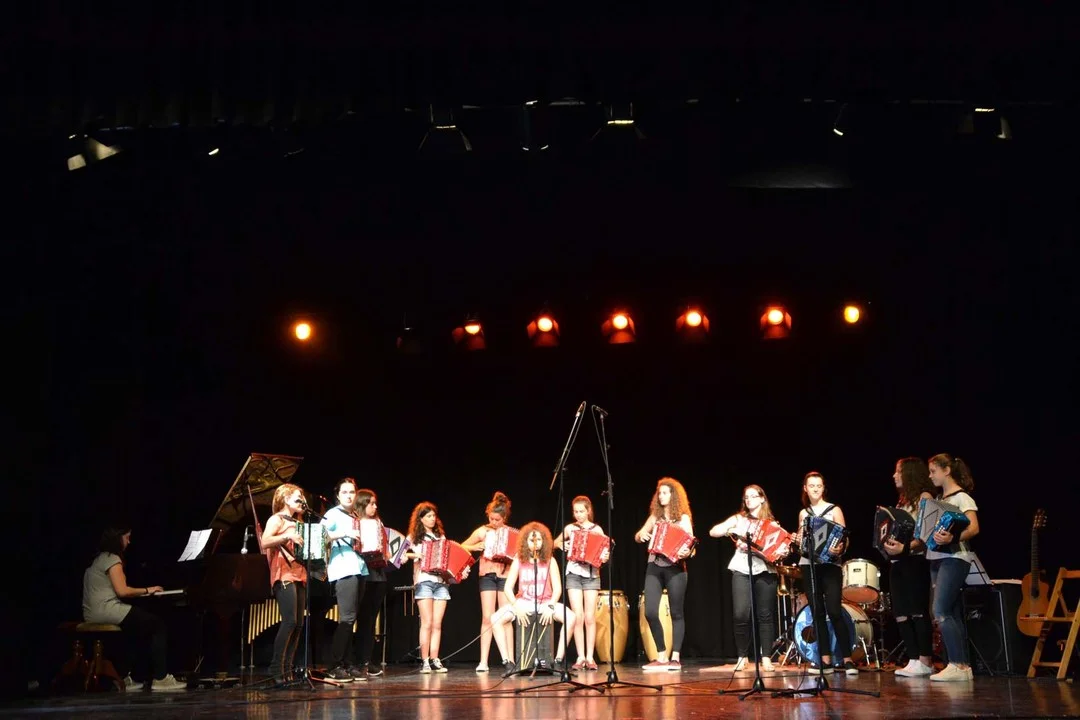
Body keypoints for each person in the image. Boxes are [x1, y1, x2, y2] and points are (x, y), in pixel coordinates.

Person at [82, 526, 187, 691]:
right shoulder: (112, 559)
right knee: (158, 625)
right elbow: (122, 591)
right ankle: (161, 678)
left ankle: (124, 677)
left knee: (135, 628)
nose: (129, 542)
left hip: (92, 612)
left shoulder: (98, 558)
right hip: (106, 609)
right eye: (127, 537)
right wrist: (148, 589)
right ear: (118, 538)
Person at [709, 485, 786, 672]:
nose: (749, 499)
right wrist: (731, 529)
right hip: (742, 567)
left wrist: (782, 549)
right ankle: (742, 656)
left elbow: (782, 547)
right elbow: (713, 531)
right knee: (741, 614)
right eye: (746, 497)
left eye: (753, 496)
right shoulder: (739, 519)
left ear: (762, 499)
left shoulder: (772, 524)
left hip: (765, 569)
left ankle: (766, 658)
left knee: (765, 615)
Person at [490, 522, 576, 677]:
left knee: (571, 617)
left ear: (544, 541)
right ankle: (508, 663)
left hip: (546, 602)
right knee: (495, 619)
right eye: (531, 540)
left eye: (539, 540)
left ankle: (557, 660)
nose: (535, 543)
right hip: (523, 602)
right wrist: (516, 607)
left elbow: (557, 588)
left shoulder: (550, 560)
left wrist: (551, 606)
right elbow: (508, 588)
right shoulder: (518, 560)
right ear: (525, 542)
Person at [794, 471, 858, 675]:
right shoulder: (804, 513)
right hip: (809, 565)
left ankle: (847, 659)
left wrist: (840, 548)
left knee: (835, 611)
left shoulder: (834, 509)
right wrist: (797, 539)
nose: (815, 489)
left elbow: (844, 537)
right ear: (805, 488)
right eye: (811, 485)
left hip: (831, 565)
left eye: (818, 485)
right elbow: (802, 541)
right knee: (817, 613)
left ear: (823, 488)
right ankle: (825, 659)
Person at [925, 453, 980, 682]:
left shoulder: (961, 497)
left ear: (947, 470)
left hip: (955, 557)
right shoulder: (939, 499)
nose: (930, 476)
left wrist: (953, 538)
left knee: (941, 611)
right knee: (950, 612)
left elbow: (974, 528)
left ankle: (958, 664)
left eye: (933, 471)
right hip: (936, 558)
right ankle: (960, 665)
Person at [882, 457, 936, 678]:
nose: (894, 475)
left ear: (909, 473)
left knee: (917, 610)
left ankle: (926, 660)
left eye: (898, 471)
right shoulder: (902, 502)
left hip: (915, 560)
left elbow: (926, 535)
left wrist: (904, 547)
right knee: (901, 613)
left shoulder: (925, 498)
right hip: (898, 562)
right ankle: (913, 658)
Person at [634, 477, 694, 672]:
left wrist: (687, 552)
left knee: (676, 612)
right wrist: (641, 535)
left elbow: (691, 545)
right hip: (655, 565)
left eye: (665, 493)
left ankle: (675, 657)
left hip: (675, 567)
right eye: (659, 493)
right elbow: (638, 535)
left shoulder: (683, 519)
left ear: (674, 496)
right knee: (650, 611)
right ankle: (661, 656)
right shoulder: (655, 517)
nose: (661, 496)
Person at [407, 501, 465, 673]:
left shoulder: (441, 537)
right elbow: (401, 554)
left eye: (434, 516)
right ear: (421, 519)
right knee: (426, 623)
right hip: (424, 580)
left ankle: (434, 658)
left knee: (437, 624)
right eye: (428, 516)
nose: (432, 519)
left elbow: (448, 558)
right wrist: (415, 555)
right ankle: (425, 660)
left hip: (441, 583)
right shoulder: (414, 537)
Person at [553, 496, 610, 671]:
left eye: (581, 511)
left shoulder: (596, 529)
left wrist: (604, 556)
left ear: (588, 511)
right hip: (573, 574)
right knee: (577, 616)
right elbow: (554, 543)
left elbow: (605, 549)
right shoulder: (570, 528)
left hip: (591, 574)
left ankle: (590, 656)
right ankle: (580, 656)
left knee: (589, 617)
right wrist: (562, 544)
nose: (578, 515)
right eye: (576, 512)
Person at [321, 477, 369, 682]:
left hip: (360, 568)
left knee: (352, 619)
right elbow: (319, 536)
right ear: (338, 495)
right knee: (347, 618)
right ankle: (334, 665)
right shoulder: (332, 514)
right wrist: (342, 533)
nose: (349, 496)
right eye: (345, 492)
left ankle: (348, 663)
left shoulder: (357, 515)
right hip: (343, 568)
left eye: (352, 492)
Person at [461, 491, 515, 672]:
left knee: (506, 617)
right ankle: (483, 661)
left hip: (505, 576)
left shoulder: (510, 533)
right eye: (491, 519)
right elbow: (462, 545)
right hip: (487, 576)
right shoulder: (483, 531)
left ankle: (510, 659)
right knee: (487, 617)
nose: (494, 522)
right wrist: (475, 546)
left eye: (497, 520)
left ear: (504, 518)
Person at [261, 483, 309, 686]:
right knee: (289, 621)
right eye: (298, 498)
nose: (302, 502)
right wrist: (286, 535)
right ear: (286, 499)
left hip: (299, 573)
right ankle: (276, 668)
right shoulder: (277, 519)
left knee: (298, 624)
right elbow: (264, 542)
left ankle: (288, 669)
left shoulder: (299, 521)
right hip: (284, 573)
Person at [353, 488, 388, 678]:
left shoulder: (378, 523)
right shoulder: (356, 523)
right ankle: (359, 661)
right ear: (362, 504)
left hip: (379, 575)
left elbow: (384, 546)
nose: (375, 507)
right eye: (371, 503)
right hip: (364, 573)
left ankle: (367, 660)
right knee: (363, 619)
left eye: (375, 504)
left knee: (371, 621)